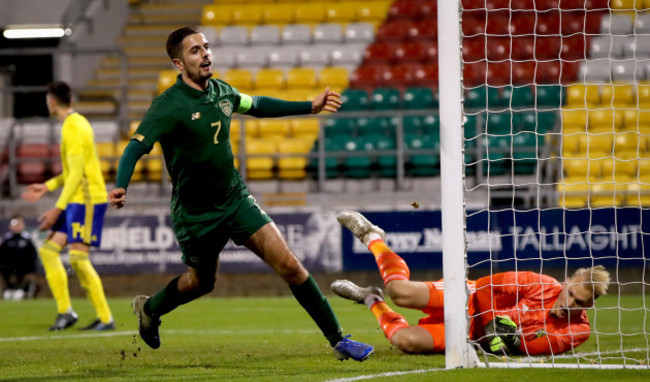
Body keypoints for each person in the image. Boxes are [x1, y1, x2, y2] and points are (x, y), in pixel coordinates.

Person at [107, 26, 373, 361]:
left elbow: (258, 104)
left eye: (206, 46)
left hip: (235, 200)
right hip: (196, 215)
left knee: (290, 265)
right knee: (202, 283)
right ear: (178, 64)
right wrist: (121, 184)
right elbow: (135, 147)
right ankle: (151, 308)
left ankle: (339, 340)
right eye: (194, 50)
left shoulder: (221, 91)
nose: (205, 53)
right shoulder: (168, 106)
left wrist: (310, 105)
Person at [331, 210, 611, 356]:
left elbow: (530, 349)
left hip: (473, 336)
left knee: (406, 341)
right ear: (565, 282)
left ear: (590, 306)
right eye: (571, 293)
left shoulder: (578, 330)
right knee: (399, 291)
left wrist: (496, 337)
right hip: (468, 297)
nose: (570, 303)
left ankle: (371, 299)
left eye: (580, 303)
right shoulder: (540, 283)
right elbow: (488, 286)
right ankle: (373, 238)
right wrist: (493, 325)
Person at [21, 81, 114, 331]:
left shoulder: (72, 128)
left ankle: (105, 318)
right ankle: (66, 312)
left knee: (78, 258)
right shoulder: (78, 123)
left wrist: (56, 209)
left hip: (86, 200)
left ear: (51, 102)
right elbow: (72, 172)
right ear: (70, 100)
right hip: (78, 199)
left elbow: (75, 176)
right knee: (49, 251)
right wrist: (48, 186)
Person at [0, 214, 38, 300]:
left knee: (24, 276)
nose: (17, 227)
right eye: (14, 224)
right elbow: (2, 255)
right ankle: (9, 290)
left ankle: (20, 291)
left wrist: (31, 268)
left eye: (19, 224)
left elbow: (33, 255)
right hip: (9, 268)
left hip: (24, 268)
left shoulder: (27, 239)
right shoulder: (7, 239)